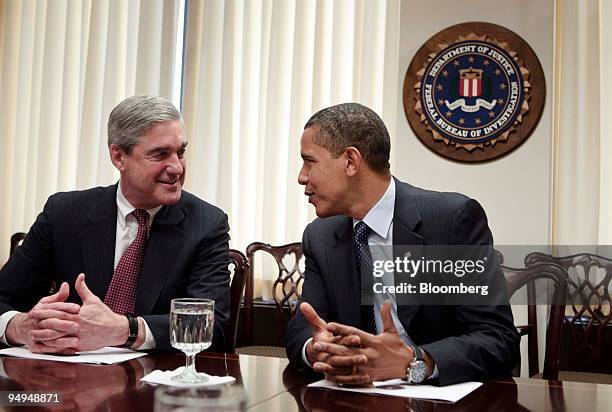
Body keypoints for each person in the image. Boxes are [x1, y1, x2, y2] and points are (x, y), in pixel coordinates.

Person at [285, 103, 520, 386]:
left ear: (350, 161)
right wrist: (317, 348)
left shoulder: (451, 221)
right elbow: (303, 327)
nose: (301, 177)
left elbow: (498, 340)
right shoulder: (320, 236)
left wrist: (415, 361)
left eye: (309, 162)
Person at [0, 95, 230, 353]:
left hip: (155, 383)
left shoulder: (206, 224)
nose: (177, 167)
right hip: (64, 378)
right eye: (160, 154)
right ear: (119, 157)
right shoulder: (63, 214)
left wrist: (124, 329)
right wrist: (20, 326)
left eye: (181, 152)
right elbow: (4, 297)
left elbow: (211, 325)